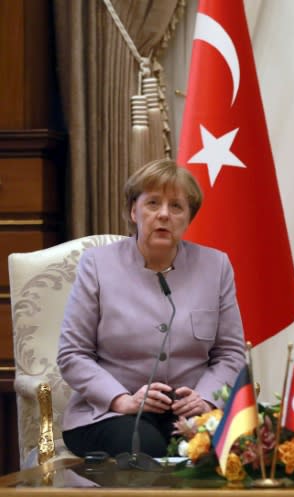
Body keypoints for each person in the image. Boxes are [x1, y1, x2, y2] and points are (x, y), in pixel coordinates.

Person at [58, 158, 247, 458]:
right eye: (153, 203)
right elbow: (72, 354)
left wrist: (207, 400)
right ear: (134, 211)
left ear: (188, 218)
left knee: (241, 448)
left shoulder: (216, 266)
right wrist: (121, 400)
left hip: (190, 416)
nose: (163, 214)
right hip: (111, 414)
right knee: (145, 448)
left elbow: (231, 353)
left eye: (176, 206)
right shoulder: (97, 265)